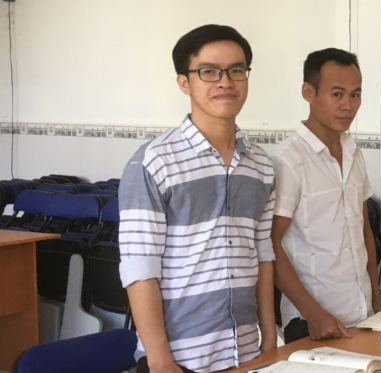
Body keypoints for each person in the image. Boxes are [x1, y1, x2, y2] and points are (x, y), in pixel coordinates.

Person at [118, 24, 276, 373]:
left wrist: (268, 335)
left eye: (236, 70)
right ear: (184, 82)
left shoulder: (261, 165)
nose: (225, 82)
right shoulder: (154, 162)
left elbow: (263, 255)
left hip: (246, 352)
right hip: (179, 359)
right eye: (209, 71)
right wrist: (160, 360)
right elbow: (139, 268)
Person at [270, 48, 381, 344]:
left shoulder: (354, 152)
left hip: (363, 314)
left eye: (355, 95)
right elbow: (270, 243)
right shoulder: (288, 160)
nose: (348, 105)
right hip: (312, 323)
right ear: (309, 93)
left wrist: (377, 299)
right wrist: (312, 313)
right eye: (337, 94)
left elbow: (364, 230)